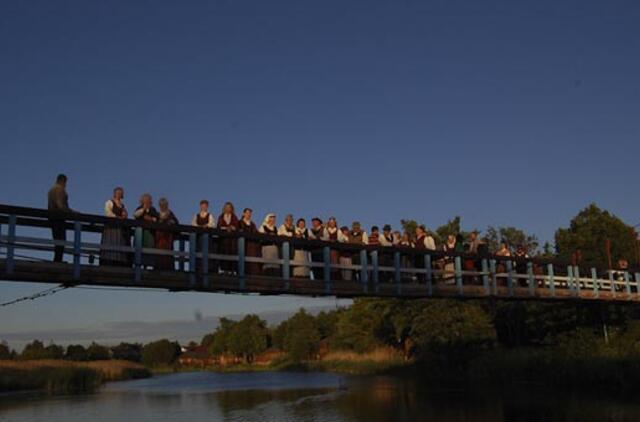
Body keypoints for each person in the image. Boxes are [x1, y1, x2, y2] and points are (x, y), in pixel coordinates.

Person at [100, 187, 130, 267]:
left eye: (120, 193)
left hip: (119, 229)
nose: (119, 195)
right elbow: (108, 213)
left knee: (119, 243)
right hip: (111, 227)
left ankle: (118, 261)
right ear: (115, 194)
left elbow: (125, 215)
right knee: (111, 242)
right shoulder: (109, 202)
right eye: (118, 193)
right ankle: (108, 261)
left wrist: (124, 215)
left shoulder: (122, 205)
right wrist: (117, 217)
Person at [47, 174, 73, 262]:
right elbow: (60, 205)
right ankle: (58, 260)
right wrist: (71, 212)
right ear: (63, 181)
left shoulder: (51, 190)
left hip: (52, 217)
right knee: (61, 241)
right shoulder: (60, 190)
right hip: (59, 218)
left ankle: (57, 259)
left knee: (57, 240)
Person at [133, 193, 159, 268]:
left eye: (149, 200)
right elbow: (135, 215)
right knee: (139, 249)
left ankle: (147, 266)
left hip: (150, 233)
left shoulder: (153, 209)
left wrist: (151, 219)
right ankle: (138, 265)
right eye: (147, 201)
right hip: (140, 233)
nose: (148, 202)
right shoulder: (139, 208)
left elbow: (157, 218)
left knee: (149, 248)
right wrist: (143, 209)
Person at [191, 200, 216, 274]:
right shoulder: (196, 215)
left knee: (207, 252)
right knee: (198, 252)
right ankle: (198, 268)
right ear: (200, 206)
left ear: (207, 207)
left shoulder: (209, 215)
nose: (203, 207)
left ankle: (207, 268)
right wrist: (199, 226)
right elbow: (193, 224)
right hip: (198, 238)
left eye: (205, 206)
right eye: (202, 205)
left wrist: (207, 226)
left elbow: (213, 224)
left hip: (207, 239)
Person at [155, 198, 179, 271]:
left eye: (164, 205)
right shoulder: (157, 214)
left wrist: (171, 222)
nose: (163, 206)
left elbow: (176, 222)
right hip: (159, 238)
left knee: (168, 254)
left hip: (168, 238)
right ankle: (158, 268)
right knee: (159, 254)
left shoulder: (170, 214)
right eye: (161, 205)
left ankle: (169, 268)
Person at [238, 208, 261, 275]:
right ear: (244, 214)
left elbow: (256, 232)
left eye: (250, 213)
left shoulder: (252, 224)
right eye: (247, 213)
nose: (249, 215)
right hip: (243, 244)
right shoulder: (240, 222)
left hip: (252, 245)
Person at [217, 202, 239, 274]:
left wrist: (232, 227)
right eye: (226, 207)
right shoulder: (221, 216)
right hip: (223, 239)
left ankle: (232, 271)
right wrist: (226, 228)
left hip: (232, 240)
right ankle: (224, 270)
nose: (228, 209)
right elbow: (219, 226)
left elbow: (237, 226)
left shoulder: (234, 217)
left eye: (229, 207)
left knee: (232, 253)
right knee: (223, 253)